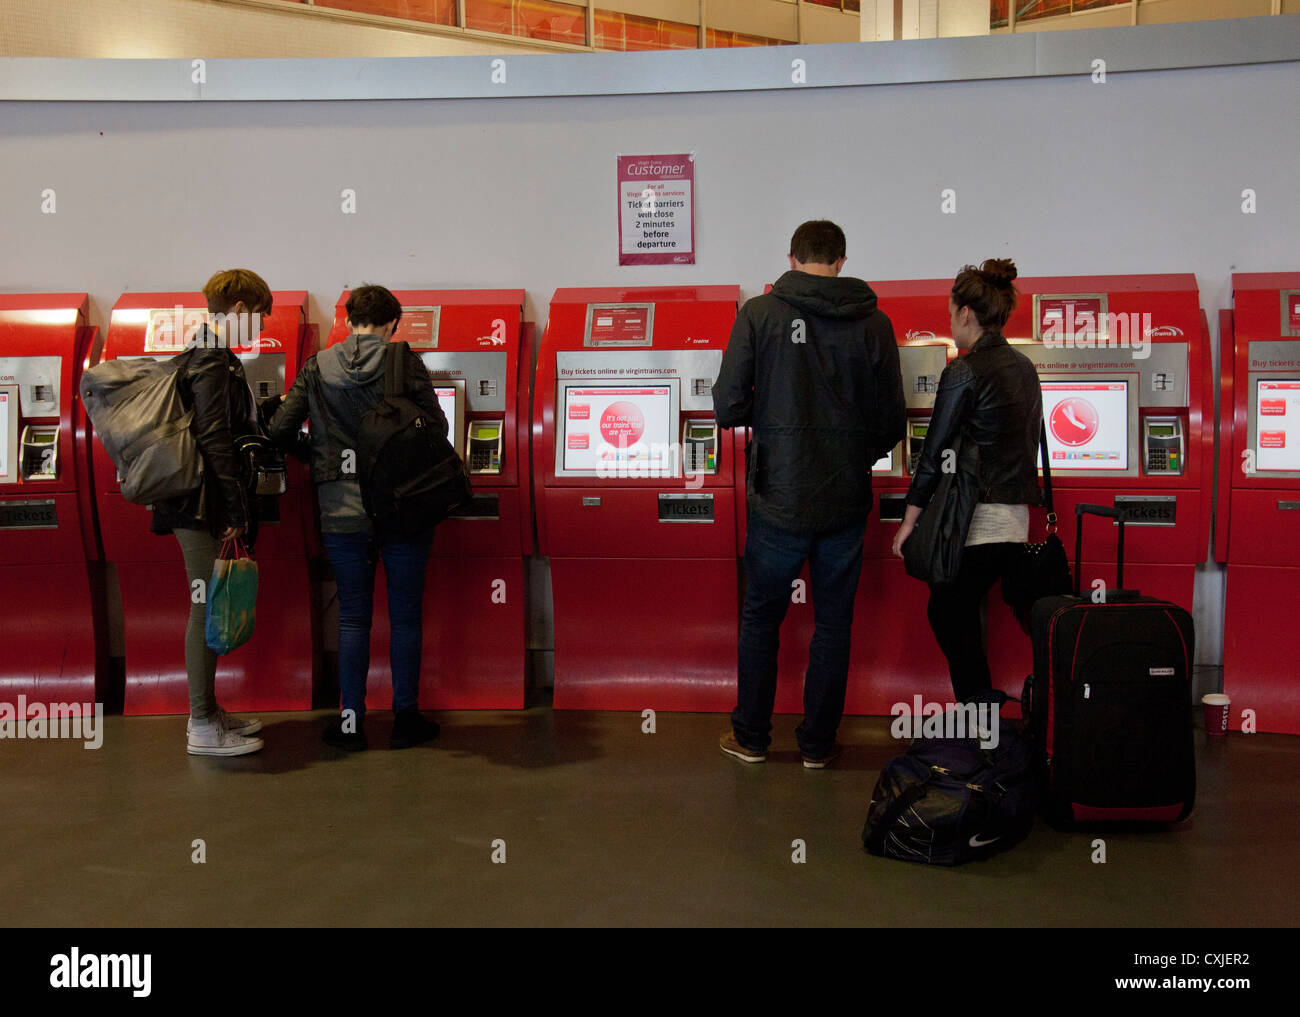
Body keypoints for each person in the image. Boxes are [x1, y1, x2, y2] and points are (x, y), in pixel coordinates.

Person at [714, 220, 906, 768]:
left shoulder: (759, 315)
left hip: (777, 498)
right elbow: (892, 419)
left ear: (792, 258)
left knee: (760, 619)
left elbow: (727, 408)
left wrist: (775, 423)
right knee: (834, 626)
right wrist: (849, 455)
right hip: (844, 502)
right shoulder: (874, 324)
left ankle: (751, 738)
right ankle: (818, 747)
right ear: (842, 261)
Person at [267, 284, 445, 752]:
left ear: (347, 321)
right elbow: (438, 428)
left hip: (341, 509)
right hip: (402, 507)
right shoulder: (403, 361)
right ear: (392, 325)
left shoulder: (318, 367)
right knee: (405, 617)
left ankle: (350, 724)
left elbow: (281, 429)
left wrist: (319, 457)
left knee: (352, 619)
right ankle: (405, 719)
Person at [891, 259, 1043, 703]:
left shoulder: (964, 370)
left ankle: (979, 715)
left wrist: (908, 520)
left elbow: (934, 452)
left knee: (947, 610)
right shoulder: (1024, 367)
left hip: (976, 521)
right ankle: (981, 713)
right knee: (961, 613)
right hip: (1015, 521)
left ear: (964, 313)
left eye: (950, 312)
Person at [153, 268, 271, 757]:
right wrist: (235, 511)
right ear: (239, 311)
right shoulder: (211, 359)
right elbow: (215, 441)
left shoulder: (206, 355)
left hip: (199, 502)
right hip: (202, 507)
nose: (261, 331)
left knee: (210, 605)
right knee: (206, 609)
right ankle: (201, 725)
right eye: (260, 319)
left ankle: (211, 712)